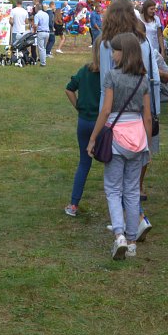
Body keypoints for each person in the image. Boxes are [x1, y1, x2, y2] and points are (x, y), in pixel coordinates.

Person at [98, 0, 168, 235]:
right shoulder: (143, 40)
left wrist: (101, 124)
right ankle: (135, 217)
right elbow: (150, 76)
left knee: (115, 178)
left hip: (118, 114)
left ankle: (133, 220)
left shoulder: (107, 44)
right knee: (135, 169)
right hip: (145, 108)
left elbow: (104, 86)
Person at [88, 32, 152, 261]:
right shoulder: (143, 79)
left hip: (116, 136)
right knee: (132, 190)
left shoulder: (111, 77)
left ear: (123, 54)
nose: (112, 54)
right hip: (137, 137)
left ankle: (119, 235)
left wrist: (93, 138)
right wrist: (147, 145)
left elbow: (106, 110)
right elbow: (147, 115)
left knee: (114, 189)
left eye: (115, 50)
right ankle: (132, 240)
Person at [63, 37, 102, 217]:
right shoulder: (109, 74)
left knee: (84, 163)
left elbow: (69, 88)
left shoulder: (85, 70)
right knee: (113, 164)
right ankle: (124, 207)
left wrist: (78, 105)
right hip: (101, 123)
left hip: (84, 122)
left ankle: (73, 204)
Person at [33, 2, 51, 67]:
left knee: (41, 48)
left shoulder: (37, 15)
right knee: (44, 48)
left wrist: (34, 31)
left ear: (37, 8)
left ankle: (43, 63)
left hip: (41, 32)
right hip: (47, 32)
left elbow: (35, 25)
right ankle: (43, 59)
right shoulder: (46, 14)